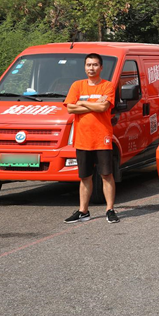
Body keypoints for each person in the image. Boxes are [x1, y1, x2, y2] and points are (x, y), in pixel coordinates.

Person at [64, 53, 119, 223]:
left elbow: (104, 107)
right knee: (85, 177)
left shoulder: (107, 86)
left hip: (102, 137)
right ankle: (83, 211)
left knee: (106, 175)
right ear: (84, 67)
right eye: (88, 65)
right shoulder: (77, 85)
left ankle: (110, 209)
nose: (91, 68)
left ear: (101, 67)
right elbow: (70, 109)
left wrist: (82, 103)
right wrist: (92, 105)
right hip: (82, 139)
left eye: (95, 65)